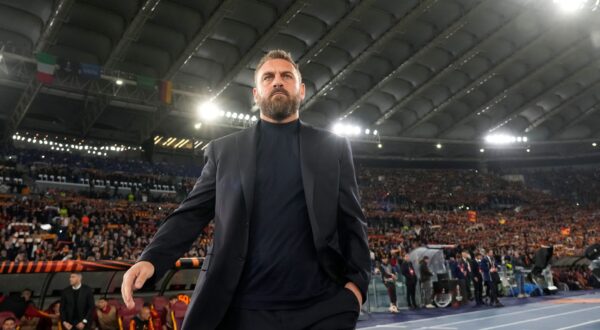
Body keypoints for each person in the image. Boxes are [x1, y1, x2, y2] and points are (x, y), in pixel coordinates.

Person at [121, 49, 371, 330]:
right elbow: (190, 214)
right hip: (242, 310)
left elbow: (352, 220)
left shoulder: (333, 147)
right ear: (255, 94)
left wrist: (356, 288)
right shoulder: (225, 150)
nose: (278, 81)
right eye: (269, 77)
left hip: (321, 308)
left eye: (286, 76)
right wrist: (151, 258)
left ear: (301, 91)